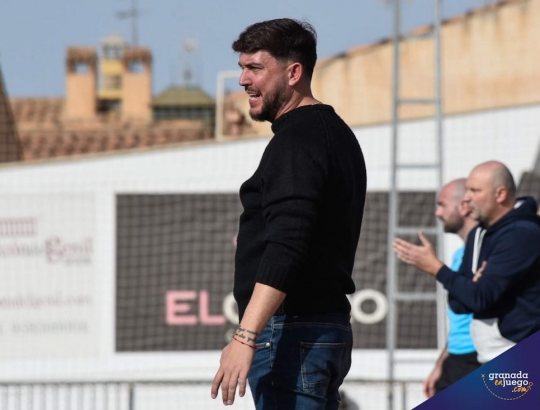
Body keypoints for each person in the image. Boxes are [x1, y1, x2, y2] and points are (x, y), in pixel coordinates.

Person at [211, 19, 367, 409]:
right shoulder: (334, 134)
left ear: (294, 72)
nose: (244, 80)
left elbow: (287, 245)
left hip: (292, 333)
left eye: (256, 68)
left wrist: (245, 336)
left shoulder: (297, 142)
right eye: (242, 68)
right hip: (315, 330)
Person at [393, 161, 540, 365]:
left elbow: (479, 297)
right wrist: (470, 287)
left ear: (500, 194)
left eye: (475, 190)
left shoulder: (521, 234)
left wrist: (436, 268)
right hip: (489, 356)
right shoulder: (479, 233)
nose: (467, 197)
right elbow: (460, 304)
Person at [419, 179, 480, 398]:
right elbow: (459, 320)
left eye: (442, 204)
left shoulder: (491, 253)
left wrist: (435, 267)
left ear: (464, 206)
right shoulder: (458, 256)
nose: (437, 212)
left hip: (480, 359)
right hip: (456, 360)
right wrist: (441, 364)